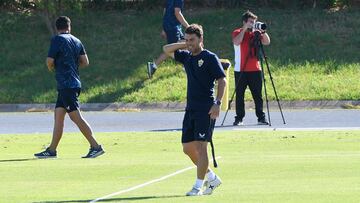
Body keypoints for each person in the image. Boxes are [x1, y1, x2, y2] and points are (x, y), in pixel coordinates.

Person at [163, 24, 226, 196]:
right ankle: (211, 177)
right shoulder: (187, 57)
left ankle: (198, 186)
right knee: (187, 148)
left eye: (192, 40)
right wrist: (185, 44)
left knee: (201, 147)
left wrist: (218, 103)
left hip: (206, 109)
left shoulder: (209, 57)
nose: (189, 43)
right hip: (190, 109)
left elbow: (222, 81)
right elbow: (166, 49)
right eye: (187, 39)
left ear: (201, 39)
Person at [34, 16, 104, 159]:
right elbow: (85, 62)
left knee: (75, 117)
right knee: (59, 117)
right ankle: (52, 150)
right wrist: (72, 65)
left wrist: (53, 67)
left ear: (56, 28)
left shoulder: (57, 39)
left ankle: (96, 146)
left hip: (66, 85)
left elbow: (49, 61)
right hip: (73, 83)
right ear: (69, 27)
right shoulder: (77, 40)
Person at [232, 10, 270, 126]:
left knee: (257, 95)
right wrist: (244, 29)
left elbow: (267, 42)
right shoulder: (237, 32)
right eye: (250, 22)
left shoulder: (256, 33)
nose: (252, 24)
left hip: (255, 69)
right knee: (239, 95)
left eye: (254, 22)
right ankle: (239, 118)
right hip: (240, 69)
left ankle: (261, 117)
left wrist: (262, 31)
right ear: (244, 22)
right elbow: (236, 42)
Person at [147, 0, 189, 78]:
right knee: (173, 49)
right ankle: (153, 66)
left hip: (171, 26)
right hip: (173, 27)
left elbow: (165, 11)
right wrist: (187, 26)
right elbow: (177, 13)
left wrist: (164, 28)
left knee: (185, 43)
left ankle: (186, 66)